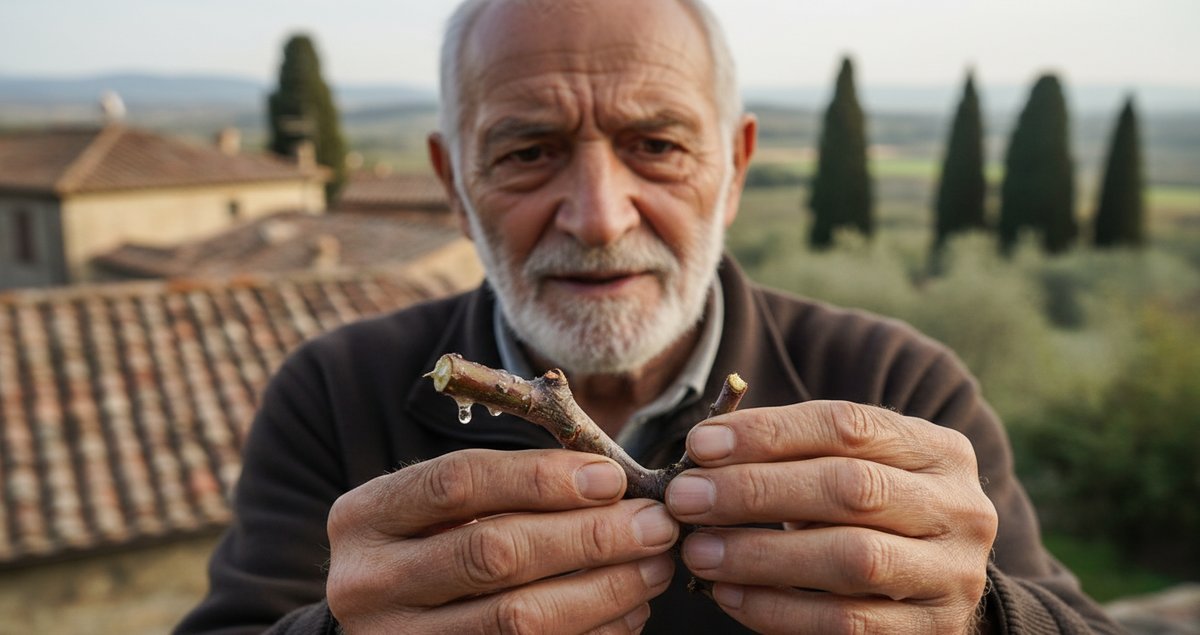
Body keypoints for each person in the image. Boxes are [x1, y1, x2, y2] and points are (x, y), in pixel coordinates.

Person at [177, 0, 1121, 632]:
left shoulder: (902, 385)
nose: (597, 216)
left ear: (736, 168)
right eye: (528, 151)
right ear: (453, 186)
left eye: (657, 144)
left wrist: (986, 616)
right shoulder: (333, 391)